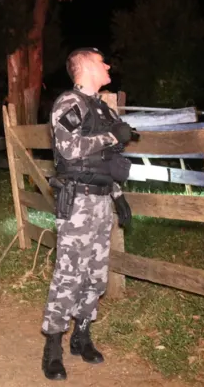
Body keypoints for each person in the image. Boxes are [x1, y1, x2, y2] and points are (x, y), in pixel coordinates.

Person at [39, 47, 135, 381]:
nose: (108, 64)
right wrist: (113, 135)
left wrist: (118, 196)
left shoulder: (103, 109)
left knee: (96, 274)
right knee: (69, 274)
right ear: (85, 67)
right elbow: (68, 148)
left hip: (101, 201)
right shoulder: (70, 103)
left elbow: (107, 161)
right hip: (77, 202)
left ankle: (82, 335)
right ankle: (52, 347)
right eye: (102, 61)